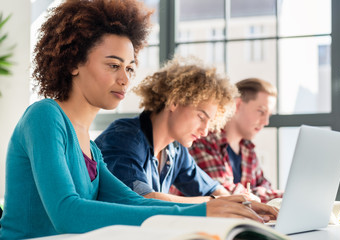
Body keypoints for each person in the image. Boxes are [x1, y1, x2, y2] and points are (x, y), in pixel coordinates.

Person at [0, 1, 277, 239]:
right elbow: (67, 212)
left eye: (130, 68)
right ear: (73, 62)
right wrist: (205, 210)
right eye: (113, 65)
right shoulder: (45, 116)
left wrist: (215, 209)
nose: (125, 79)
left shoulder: (91, 146)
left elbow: (132, 201)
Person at [95, 55, 276, 217]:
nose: (205, 131)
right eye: (201, 116)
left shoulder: (175, 150)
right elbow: (143, 200)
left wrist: (245, 204)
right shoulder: (124, 138)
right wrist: (214, 203)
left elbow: (213, 189)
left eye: (210, 122)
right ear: (174, 101)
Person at [187, 78, 283, 203]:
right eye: (261, 111)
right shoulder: (204, 141)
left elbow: (264, 185)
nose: (266, 122)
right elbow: (224, 194)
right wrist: (280, 196)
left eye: (268, 115)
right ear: (237, 105)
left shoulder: (247, 148)